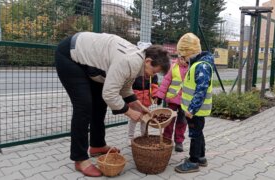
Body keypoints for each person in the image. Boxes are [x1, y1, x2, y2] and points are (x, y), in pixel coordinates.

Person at [55, 32, 170, 177]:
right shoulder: (130, 61)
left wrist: (137, 105)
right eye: (154, 71)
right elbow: (110, 94)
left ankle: (97, 145)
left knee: (99, 104)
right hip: (70, 56)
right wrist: (130, 112)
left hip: (92, 64)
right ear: (148, 61)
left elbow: (124, 88)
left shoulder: (138, 62)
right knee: (83, 106)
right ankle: (80, 158)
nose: (152, 76)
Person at [174, 33, 214, 173]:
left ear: (189, 53)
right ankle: (201, 157)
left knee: (194, 135)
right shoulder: (198, 64)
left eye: (182, 56)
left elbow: (201, 90)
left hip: (195, 110)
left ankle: (193, 161)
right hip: (197, 110)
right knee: (199, 132)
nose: (182, 59)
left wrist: (191, 109)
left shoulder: (201, 66)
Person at [156, 57, 189, 152]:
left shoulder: (191, 68)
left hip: (185, 101)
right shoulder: (173, 67)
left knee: (182, 122)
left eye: (185, 60)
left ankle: (179, 141)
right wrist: (160, 96)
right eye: (181, 58)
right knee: (169, 121)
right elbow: (165, 82)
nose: (183, 61)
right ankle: (166, 139)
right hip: (172, 99)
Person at [128, 75, 159, 144]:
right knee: (134, 119)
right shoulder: (136, 72)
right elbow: (128, 87)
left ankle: (144, 136)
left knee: (145, 119)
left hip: (146, 101)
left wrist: (155, 96)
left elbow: (154, 86)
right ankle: (130, 137)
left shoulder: (153, 74)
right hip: (135, 101)